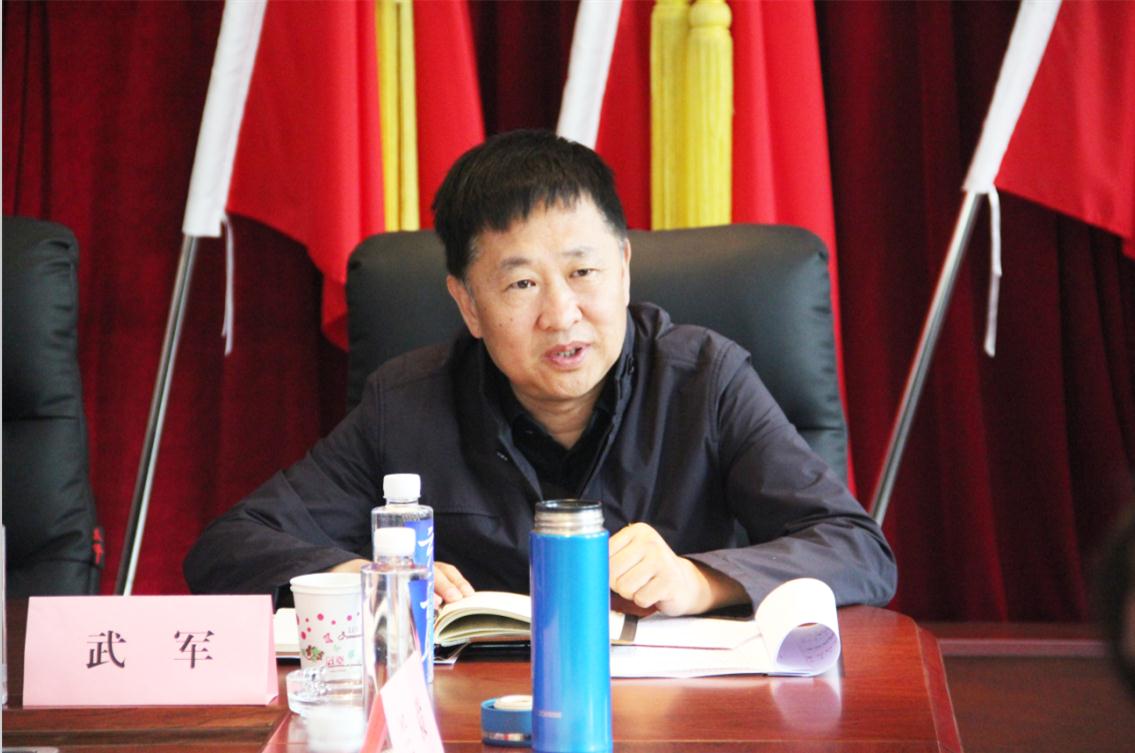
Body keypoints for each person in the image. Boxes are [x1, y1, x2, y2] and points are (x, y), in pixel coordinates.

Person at [184, 130, 896, 616]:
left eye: (583, 273)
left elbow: (859, 550)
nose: (561, 315)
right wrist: (355, 577)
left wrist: (698, 580)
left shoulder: (705, 381)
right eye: (521, 284)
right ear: (467, 303)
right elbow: (227, 548)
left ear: (623, 268)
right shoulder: (405, 405)